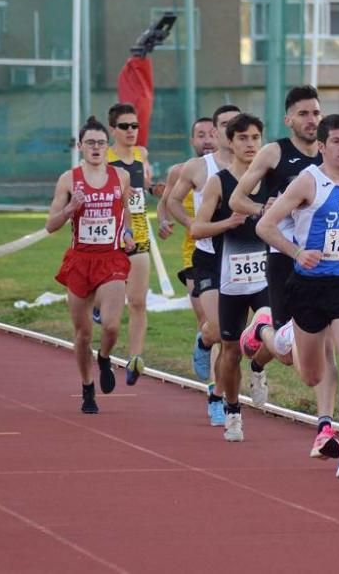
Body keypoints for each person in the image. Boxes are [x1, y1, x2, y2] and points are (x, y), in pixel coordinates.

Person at [257, 113, 339, 481]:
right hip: (308, 288)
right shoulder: (308, 182)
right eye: (336, 141)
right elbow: (265, 226)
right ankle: (271, 333)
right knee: (312, 375)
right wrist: (296, 252)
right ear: (321, 146)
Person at [231, 85, 339, 460]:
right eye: (304, 114)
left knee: (324, 345)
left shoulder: (331, 153)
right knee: (287, 353)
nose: (312, 121)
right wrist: (266, 208)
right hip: (284, 259)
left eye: (316, 113)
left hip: (326, 263)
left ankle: (325, 426)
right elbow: (237, 199)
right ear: (288, 119)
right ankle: (260, 331)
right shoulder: (275, 152)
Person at [191, 113, 273, 442]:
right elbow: (197, 228)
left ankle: (258, 368)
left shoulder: (272, 178)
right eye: (243, 138)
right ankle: (233, 411)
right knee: (229, 348)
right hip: (232, 279)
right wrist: (228, 223)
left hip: (267, 276)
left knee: (277, 337)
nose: (250, 144)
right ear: (231, 142)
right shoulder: (220, 182)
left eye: (255, 137)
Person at [45, 117, 135, 414]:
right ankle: (87, 388)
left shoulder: (120, 176)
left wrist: (128, 233)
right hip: (80, 260)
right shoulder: (68, 180)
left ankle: (105, 358)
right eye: (90, 143)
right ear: (80, 146)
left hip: (111, 258)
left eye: (100, 142)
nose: (96, 148)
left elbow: (125, 211)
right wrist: (72, 207)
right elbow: (50, 225)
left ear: (107, 146)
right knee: (83, 333)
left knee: (110, 327)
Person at [166, 105, 240, 426]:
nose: (229, 130)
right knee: (222, 329)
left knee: (232, 338)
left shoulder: (257, 166)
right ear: (217, 130)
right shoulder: (199, 167)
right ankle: (215, 392)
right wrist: (191, 223)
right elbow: (170, 199)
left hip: (241, 259)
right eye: (224, 125)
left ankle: (215, 384)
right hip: (207, 256)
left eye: (236, 124)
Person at [96, 103, 155, 385]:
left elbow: (143, 192)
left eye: (135, 126)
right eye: (125, 126)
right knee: (110, 303)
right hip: (111, 235)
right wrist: (121, 230)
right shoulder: (103, 158)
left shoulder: (142, 154)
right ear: (112, 130)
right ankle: (97, 307)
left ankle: (134, 358)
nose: (131, 131)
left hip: (140, 233)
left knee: (139, 301)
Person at [157, 117, 218, 347]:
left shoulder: (233, 170)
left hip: (227, 250)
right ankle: (204, 344)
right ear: (192, 140)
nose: (207, 140)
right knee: (205, 316)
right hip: (195, 252)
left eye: (212, 134)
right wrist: (164, 222)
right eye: (201, 135)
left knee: (228, 323)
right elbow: (165, 203)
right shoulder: (180, 171)